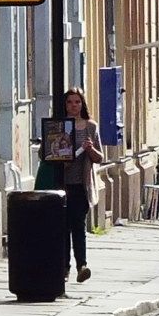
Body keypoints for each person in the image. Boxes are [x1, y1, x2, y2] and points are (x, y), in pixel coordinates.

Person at [58, 89, 105, 284]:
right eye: (70, 102)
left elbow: (99, 158)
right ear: (65, 105)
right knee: (62, 228)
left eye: (77, 102)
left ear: (82, 104)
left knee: (78, 226)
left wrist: (89, 148)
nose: (74, 105)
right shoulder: (59, 126)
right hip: (61, 185)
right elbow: (47, 154)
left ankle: (81, 266)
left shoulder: (90, 127)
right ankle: (64, 268)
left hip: (80, 185)